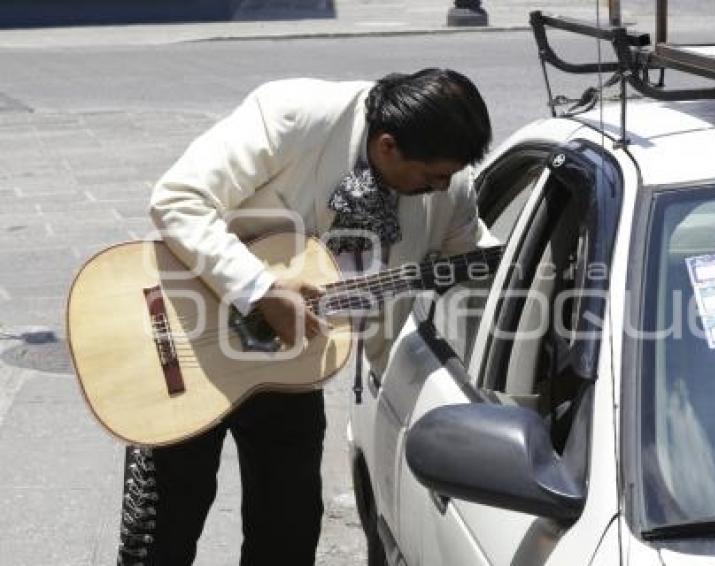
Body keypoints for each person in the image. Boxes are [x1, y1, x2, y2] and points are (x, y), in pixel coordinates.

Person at [117, 68, 496, 565]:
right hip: (187, 341)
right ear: (387, 147)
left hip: (289, 372)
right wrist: (261, 290)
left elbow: (476, 262)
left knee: (288, 535)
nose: (442, 186)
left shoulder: (449, 188)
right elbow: (177, 200)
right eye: (432, 176)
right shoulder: (292, 114)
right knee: (162, 533)